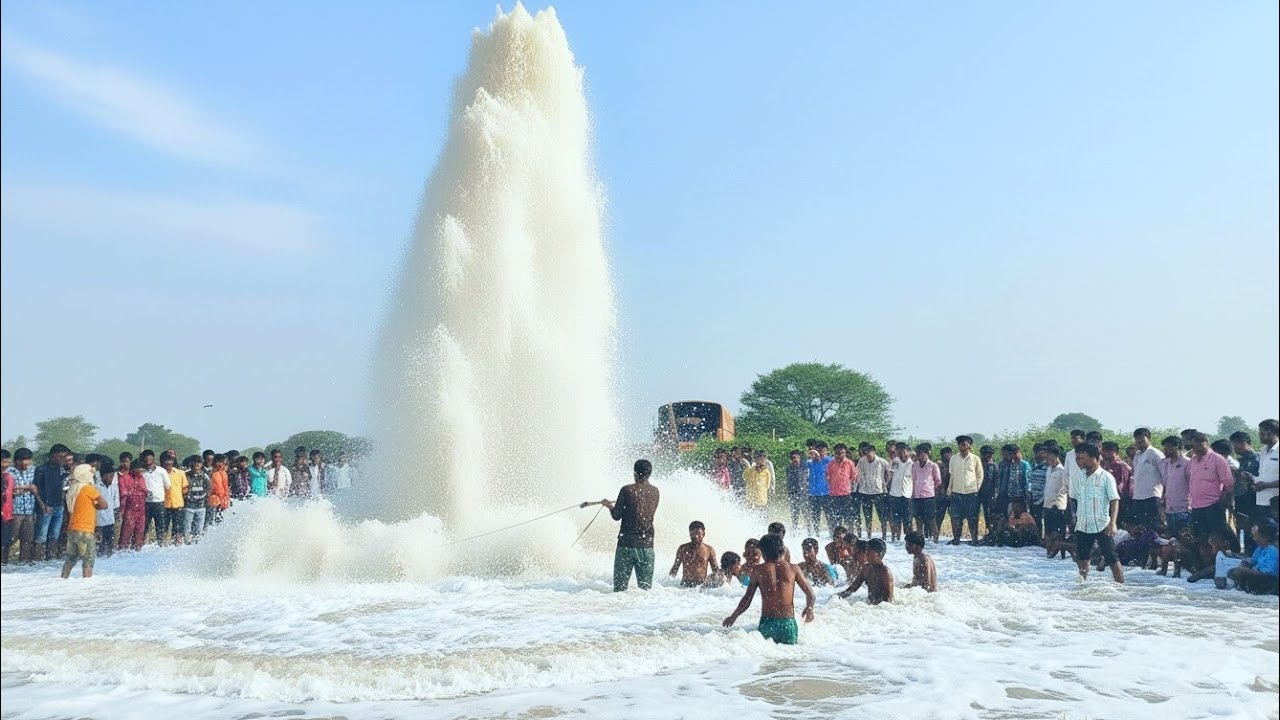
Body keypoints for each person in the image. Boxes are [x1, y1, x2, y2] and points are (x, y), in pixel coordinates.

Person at [722, 533, 816, 645]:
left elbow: (747, 599)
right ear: (781, 550)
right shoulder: (793, 568)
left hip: (767, 623)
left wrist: (734, 616)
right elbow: (811, 594)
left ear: (763, 552)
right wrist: (809, 608)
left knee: (765, 658)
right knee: (790, 657)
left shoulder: (759, 570)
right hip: (788, 623)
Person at [1068, 443, 1124, 584]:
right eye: (1078, 458)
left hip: (1102, 524)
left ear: (1094, 458)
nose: (1080, 461)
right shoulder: (1077, 477)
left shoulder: (1106, 477)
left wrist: (1113, 523)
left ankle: (1122, 587)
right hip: (1083, 524)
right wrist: (1074, 518)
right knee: (1082, 559)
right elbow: (1073, 498)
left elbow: (1114, 500)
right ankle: (1082, 587)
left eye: (1083, 458)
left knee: (1112, 558)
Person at [603, 459, 660, 592]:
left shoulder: (627, 490)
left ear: (635, 473)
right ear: (649, 473)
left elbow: (616, 516)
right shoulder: (655, 491)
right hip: (647, 546)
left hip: (626, 545)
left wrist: (609, 506)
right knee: (645, 591)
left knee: (619, 590)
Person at [62, 464, 107, 579]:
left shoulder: (73, 489)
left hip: (72, 529)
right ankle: (87, 585)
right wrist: (94, 505)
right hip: (85, 529)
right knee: (88, 559)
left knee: (70, 558)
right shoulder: (88, 489)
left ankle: (63, 579)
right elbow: (104, 504)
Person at [1185, 432, 1232, 538]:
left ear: (1207, 443)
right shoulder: (1193, 460)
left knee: (1217, 537)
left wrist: (1223, 500)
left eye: (1199, 446)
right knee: (1201, 537)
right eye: (1194, 446)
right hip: (1196, 506)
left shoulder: (1217, 459)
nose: (1196, 449)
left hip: (1213, 505)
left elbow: (1228, 483)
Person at [33, 445, 71, 561]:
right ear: (52, 456)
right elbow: (37, 489)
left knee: (55, 535)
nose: (63, 459)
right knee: (41, 536)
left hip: (59, 506)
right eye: (61, 457)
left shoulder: (63, 470)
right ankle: (38, 560)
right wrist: (43, 505)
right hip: (46, 506)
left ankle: (51, 560)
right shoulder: (41, 470)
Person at [947, 436, 984, 545]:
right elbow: (952, 476)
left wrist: (976, 489)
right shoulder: (953, 459)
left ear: (970, 446)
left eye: (964, 443)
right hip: (956, 492)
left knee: (972, 518)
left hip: (971, 493)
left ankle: (974, 539)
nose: (962, 445)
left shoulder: (975, 459)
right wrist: (949, 490)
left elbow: (980, 475)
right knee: (956, 518)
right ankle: (956, 539)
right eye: (960, 443)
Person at [1226, 523, 1279, 595]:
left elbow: (1268, 572)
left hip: (1269, 580)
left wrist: (1248, 571)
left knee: (1244, 573)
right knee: (1233, 571)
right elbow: (1252, 562)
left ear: (1265, 537)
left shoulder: (1272, 551)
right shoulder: (1260, 548)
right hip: (1258, 575)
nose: (1254, 539)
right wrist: (1245, 564)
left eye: (1256, 536)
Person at [6, 448, 38, 564]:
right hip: (14, 510)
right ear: (17, 461)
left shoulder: (33, 470)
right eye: (26, 460)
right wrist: (26, 488)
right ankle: (5, 562)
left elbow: (36, 487)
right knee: (11, 538)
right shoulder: (8, 472)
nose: (28, 463)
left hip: (29, 510)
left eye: (29, 460)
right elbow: (9, 490)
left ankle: (24, 564)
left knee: (27, 540)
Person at [838, 538, 894, 604]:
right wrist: (837, 597)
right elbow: (853, 588)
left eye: (869, 551)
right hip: (870, 605)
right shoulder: (866, 568)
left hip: (881, 608)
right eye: (866, 551)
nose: (866, 554)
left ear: (879, 554)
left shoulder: (886, 573)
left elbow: (888, 599)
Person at [1130, 428, 1165, 527]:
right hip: (1138, 496)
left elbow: (1165, 474)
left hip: (1153, 495)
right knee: (1142, 526)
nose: (1140, 443)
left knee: (1156, 525)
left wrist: (1164, 495)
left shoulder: (1155, 453)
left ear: (1149, 439)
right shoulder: (1137, 455)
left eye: (1142, 441)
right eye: (1137, 441)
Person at [855, 443, 891, 540]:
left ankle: (884, 536)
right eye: (865, 452)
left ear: (874, 452)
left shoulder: (882, 462)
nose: (867, 454)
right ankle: (869, 536)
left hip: (879, 492)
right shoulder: (862, 461)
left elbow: (889, 473)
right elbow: (857, 472)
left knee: (882, 516)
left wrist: (885, 484)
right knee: (867, 516)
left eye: (869, 452)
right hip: (865, 492)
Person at [669, 520, 717, 587]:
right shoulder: (683, 548)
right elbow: (675, 567)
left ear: (703, 534)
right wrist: (669, 585)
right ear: (689, 534)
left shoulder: (709, 550)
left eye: (698, 534)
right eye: (693, 534)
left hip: (700, 588)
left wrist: (720, 586)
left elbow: (715, 570)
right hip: (685, 586)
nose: (696, 537)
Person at [1159, 436, 1191, 533]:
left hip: (1184, 509)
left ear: (1177, 447)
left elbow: (1192, 485)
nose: (1165, 451)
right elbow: (1165, 485)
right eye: (1164, 448)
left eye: (1167, 448)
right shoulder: (1165, 464)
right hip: (1169, 509)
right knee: (1173, 539)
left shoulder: (1187, 463)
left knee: (1186, 538)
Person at [911, 443, 942, 542]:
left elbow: (938, 481)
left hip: (929, 496)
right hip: (916, 496)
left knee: (932, 520)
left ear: (928, 454)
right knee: (918, 520)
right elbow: (913, 479)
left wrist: (931, 489)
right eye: (920, 454)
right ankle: (921, 541)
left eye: (924, 454)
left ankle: (936, 541)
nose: (922, 456)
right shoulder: (914, 465)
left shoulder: (933, 465)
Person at [1042, 445, 1070, 553]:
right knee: (1048, 531)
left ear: (1055, 455)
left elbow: (1067, 489)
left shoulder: (1063, 471)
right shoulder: (1049, 469)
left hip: (1058, 506)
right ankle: (1049, 552)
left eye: (1048, 455)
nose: (1046, 458)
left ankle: (1061, 553)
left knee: (1060, 532)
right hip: (1047, 504)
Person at [116, 454, 147, 551]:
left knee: (139, 530)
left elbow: (145, 491)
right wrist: (121, 510)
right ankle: (122, 550)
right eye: (140, 469)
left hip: (141, 508)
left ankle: (137, 550)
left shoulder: (142, 478)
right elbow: (123, 494)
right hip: (129, 508)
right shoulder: (124, 478)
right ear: (134, 469)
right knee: (127, 530)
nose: (141, 471)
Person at [826, 444, 856, 533]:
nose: (840, 455)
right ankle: (835, 537)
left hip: (846, 495)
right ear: (834, 453)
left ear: (845, 453)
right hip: (834, 495)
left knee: (848, 518)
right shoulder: (830, 464)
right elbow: (828, 477)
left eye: (842, 453)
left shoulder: (850, 463)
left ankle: (850, 537)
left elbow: (853, 476)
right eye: (837, 453)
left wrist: (846, 484)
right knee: (835, 519)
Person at [1100, 442, 1133, 524]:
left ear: (1116, 452)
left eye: (1108, 451)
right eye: (1103, 451)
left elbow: (1121, 486)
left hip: (1121, 500)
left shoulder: (1121, 465)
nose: (1104, 453)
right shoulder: (1103, 465)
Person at [1255, 420, 1280, 528]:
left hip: (1276, 504)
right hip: (1262, 501)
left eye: (1262, 433)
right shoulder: (1263, 452)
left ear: (1271, 432)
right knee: (1266, 536)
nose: (1260, 436)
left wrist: (1265, 485)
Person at [887, 442, 913, 542]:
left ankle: (909, 541)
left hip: (907, 495)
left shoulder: (913, 464)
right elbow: (890, 476)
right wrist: (886, 486)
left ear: (908, 452)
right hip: (895, 494)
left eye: (903, 451)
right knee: (895, 520)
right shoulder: (894, 462)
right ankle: (896, 541)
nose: (901, 454)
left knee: (908, 520)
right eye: (899, 451)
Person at [805, 443, 833, 538]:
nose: (820, 453)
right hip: (813, 494)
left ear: (826, 451)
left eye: (822, 451)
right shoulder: (810, 462)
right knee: (815, 516)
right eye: (819, 451)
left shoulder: (829, 461)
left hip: (826, 493)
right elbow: (803, 466)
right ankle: (816, 535)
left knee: (829, 515)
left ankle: (832, 534)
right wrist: (810, 454)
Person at [94, 459, 120, 557]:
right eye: (110, 476)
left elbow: (115, 499)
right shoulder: (97, 487)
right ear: (104, 476)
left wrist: (116, 510)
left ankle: (109, 560)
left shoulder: (111, 485)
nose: (112, 479)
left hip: (110, 519)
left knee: (109, 542)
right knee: (100, 544)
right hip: (99, 521)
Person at [161, 452, 188, 545]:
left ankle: (176, 546)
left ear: (173, 461)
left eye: (170, 460)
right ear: (162, 462)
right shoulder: (160, 473)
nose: (168, 463)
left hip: (178, 504)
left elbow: (185, 489)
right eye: (166, 461)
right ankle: (162, 545)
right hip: (164, 505)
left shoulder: (180, 473)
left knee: (178, 528)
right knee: (163, 527)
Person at [183, 456, 210, 543]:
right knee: (187, 529)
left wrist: (203, 496)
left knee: (199, 530)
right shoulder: (185, 475)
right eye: (195, 462)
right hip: (188, 506)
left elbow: (209, 487)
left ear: (202, 464)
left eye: (199, 462)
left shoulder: (204, 476)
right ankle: (186, 545)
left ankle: (197, 546)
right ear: (191, 464)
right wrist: (188, 497)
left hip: (201, 506)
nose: (197, 464)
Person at [977, 445, 998, 537]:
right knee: (974, 515)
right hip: (977, 494)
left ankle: (991, 533)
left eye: (990, 454)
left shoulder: (994, 466)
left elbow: (996, 482)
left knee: (989, 515)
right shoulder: (977, 465)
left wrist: (994, 495)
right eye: (985, 454)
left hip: (989, 494)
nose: (988, 456)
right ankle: (975, 535)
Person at [1027, 443, 1048, 533]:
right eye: (1035, 452)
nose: (1036, 455)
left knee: (1041, 520)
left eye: (1039, 452)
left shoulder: (1048, 467)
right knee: (1033, 520)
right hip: (1032, 497)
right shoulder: (1033, 466)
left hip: (1043, 497)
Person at [785, 450, 808, 535]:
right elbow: (789, 482)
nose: (796, 459)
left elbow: (807, 480)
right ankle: (794, 530)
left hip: (804, 494)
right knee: (795, 513)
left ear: (800, 458)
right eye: (794, 458)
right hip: (793, 494)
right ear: (791, 459)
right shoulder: (789, 468)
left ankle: (809, 530)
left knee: (806, 513)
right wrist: (789, 493)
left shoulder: (805, 467)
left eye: (797, 457)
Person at [208, 454, 230, 526]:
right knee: (211, 522)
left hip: (222, 500)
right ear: (214, 462)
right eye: (219, 462)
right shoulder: (210, 473)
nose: (221, 464)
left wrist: (226, 500)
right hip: (213, 501)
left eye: (223, 462)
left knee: (221, 522)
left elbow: (226, 488)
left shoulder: (224, 473)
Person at [936, 446, 953, 532]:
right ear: (942, 455)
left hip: (951, 494)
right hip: (940, 495)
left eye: (949, 453)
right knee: (939, 517)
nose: (948, 455)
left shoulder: (953, 465)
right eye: (946, 454)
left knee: (953, 516)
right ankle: (934, 535)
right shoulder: (939, 465)